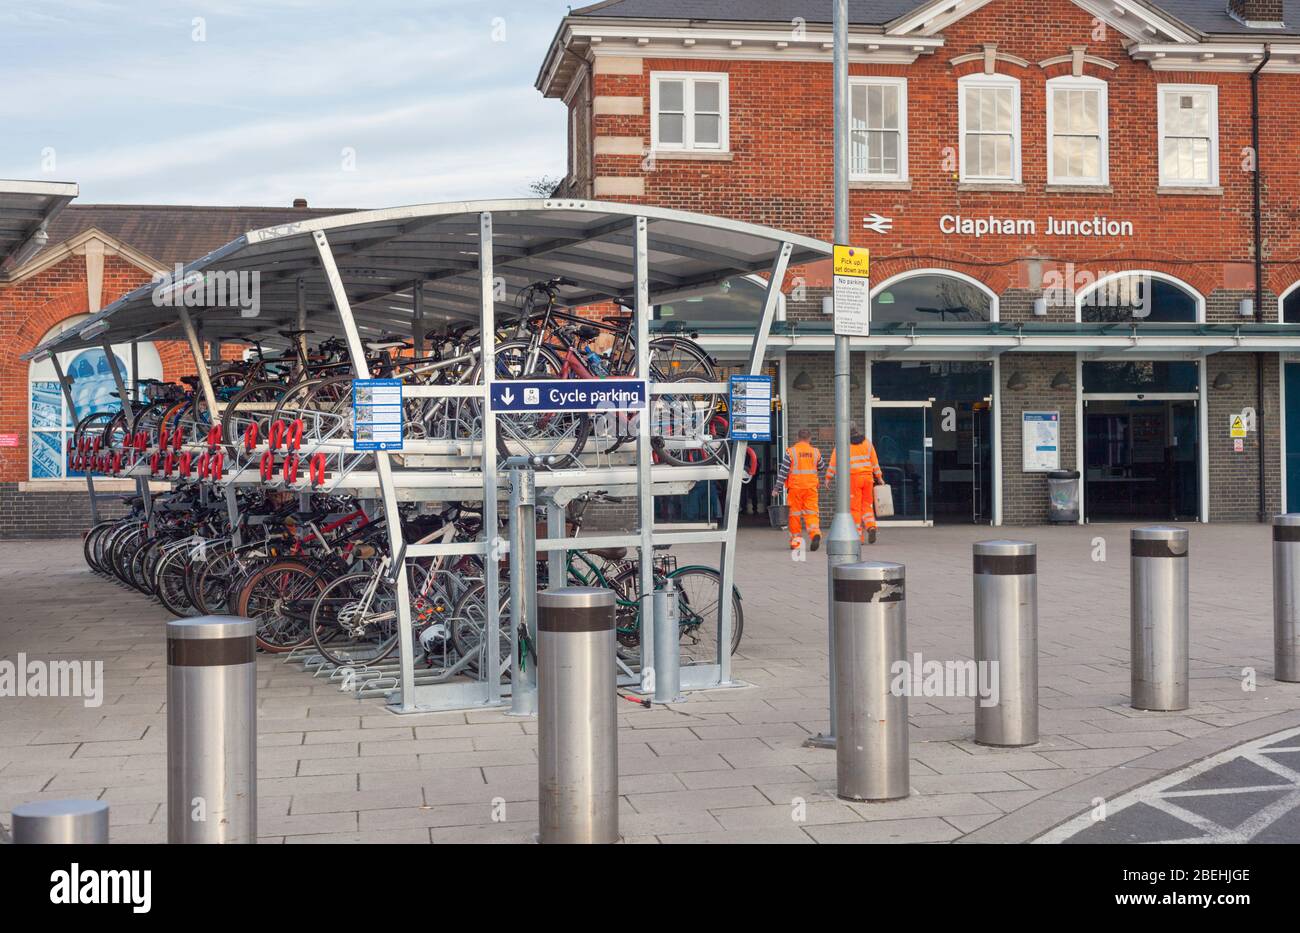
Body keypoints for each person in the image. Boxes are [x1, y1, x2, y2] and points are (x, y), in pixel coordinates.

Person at [826, 424, 884, 544]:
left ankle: (858, 536)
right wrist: (879, 478)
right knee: (867, 505)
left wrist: (828, 477)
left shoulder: (843, 445)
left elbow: (834, 462)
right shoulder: (867, 443)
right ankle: (871, 526)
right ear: (857, 431)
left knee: (855, 508)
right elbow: (875, 462)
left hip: (853, 479)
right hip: (868, 479)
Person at [772, 428, 827, 551]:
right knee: (812, 513)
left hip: (795, 489)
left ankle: (796, 543)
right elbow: (822, 466)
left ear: (798, 438)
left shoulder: (791, 452)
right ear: (810, 438)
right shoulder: (816, 452)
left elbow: (783, 472)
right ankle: (815, 533)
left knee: (794, 516)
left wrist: (777, 488)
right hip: (811, 488)